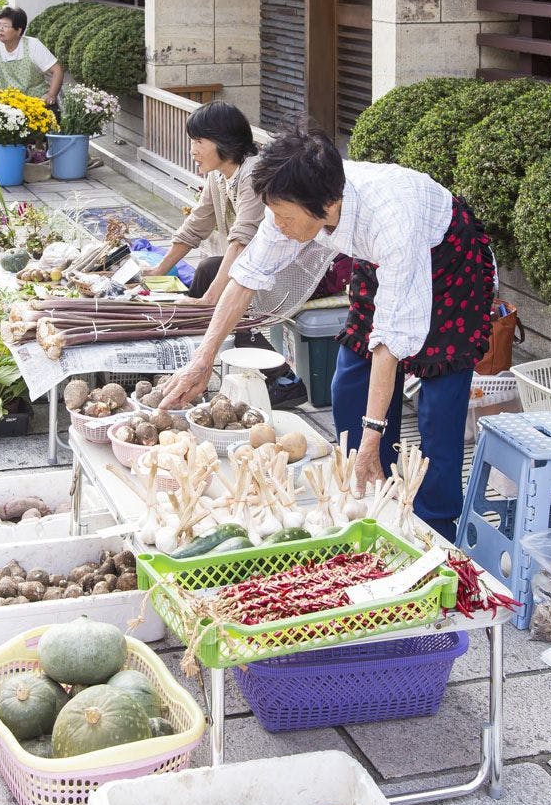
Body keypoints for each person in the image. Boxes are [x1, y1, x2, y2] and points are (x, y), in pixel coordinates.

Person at [161, 126, 495, 540]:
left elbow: (389, 343)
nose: (279, 226)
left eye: (285, 218)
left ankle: (433, 528)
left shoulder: (393, 222)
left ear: (328, 203)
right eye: (275, 215)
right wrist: (202, 359)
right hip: (378, 262)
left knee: (438, 406)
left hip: (447, 261)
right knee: (349, 384)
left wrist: (374, 433)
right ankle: (368, 494)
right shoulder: (293, 197)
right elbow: (247, 276)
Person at [145, 101, 263, 303]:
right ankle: (200, 327)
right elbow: (196, 225)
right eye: (192, 141)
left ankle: (205, 323)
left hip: (282, 271)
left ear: (224, 141)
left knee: (210, 272)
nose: (192, 151)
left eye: (199, 141)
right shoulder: (218, 174)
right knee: (207, 268)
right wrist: (158, 271)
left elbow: (241, 243)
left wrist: (207, 301)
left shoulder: (253, 175)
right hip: (251, 265)